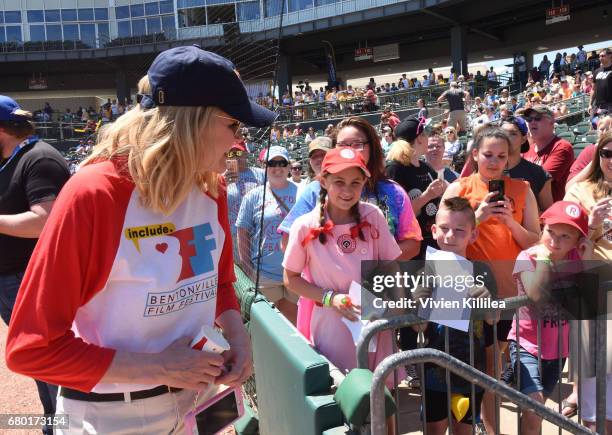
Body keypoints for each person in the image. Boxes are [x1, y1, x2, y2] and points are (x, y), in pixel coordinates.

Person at [6, 46, 276, 434]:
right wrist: (160, 367)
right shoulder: (93, 194)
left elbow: (218, 284)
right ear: (192, 123)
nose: (239, 141)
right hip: (114, 415)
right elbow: (31, 349)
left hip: (200, 404)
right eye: (234, 125)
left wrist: (239, 337)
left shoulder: (210, 188)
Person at [442, 125, 540, 433]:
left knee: (493, 369)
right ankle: (481, 427)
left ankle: (490, 428)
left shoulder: (522, 189)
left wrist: (510, 220)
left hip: (510, 296)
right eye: (488, 155)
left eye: (502, 156)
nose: (495, 162)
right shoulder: (458, 189)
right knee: (475, 369)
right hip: (467, 297)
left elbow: (534, 241)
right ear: (474, 155)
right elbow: (444, 243)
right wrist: (479, 216)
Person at [282, 146, 402, 382]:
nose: (347, 191)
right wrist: (330, 298)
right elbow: (290, 279)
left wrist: (396, 305)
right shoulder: (304, 226)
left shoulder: (373, 216)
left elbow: (390, 266)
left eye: (355, 183)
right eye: (339, 181)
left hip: (375, 322)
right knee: (344, 397)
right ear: (323, 181)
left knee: (383, 397)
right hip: (331, 328)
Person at [0, 95, 70, 435]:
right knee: (37, 360)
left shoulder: (39, 158)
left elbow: (44, 222)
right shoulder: (12, 158)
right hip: (12, 278)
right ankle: (54, 423)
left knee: (47, 356)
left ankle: (66, 425)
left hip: (33, 278)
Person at [508, 201, 592, 435]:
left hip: (557, 349)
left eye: (565, 236)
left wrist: (588, 258)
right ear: (542, 228)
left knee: (535, 411)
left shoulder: (576, 258)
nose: (555, 241)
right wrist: (545, 259)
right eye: (550, 232)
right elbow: (536, 295)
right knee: (534, 409)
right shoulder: (528, 256)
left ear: (578, 241)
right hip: (526, 345)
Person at [415, 197, 496, 435]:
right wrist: (419, 306)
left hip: (472, 369)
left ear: (473, 235)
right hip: (434, 370)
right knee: (434, 430)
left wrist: (487, 301)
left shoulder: (481, 271)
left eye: (460, 230)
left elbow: (493, 319)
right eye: (444, 228)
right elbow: (416, 328)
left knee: (465, 431)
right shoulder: (424, 272)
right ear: (433, 230)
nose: (450, 236)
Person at [563, 131, 612, 433]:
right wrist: (591, 226)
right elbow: (563, 241)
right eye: (607, 153)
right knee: (594, 388)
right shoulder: (580, 191)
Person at [237, 146, 298, 324]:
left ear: (288, 166)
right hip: (264, 274)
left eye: (282, 163)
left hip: (295, 273)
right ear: (265, 166)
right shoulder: (253, 196)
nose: (277, 168)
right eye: (272, 163)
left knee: (292, 325)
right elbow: (243, 233)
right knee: (268, 326)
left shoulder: (302, 192)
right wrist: (247, 266)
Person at [388, 116, 446, 258]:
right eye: (425, 134)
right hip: (412, 249)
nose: (428, 138)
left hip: (434, 243)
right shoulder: (394, 169)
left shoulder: (425, 166)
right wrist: (427, 195)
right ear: (419, 138)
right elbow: (396, 216)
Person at [499, 116, 554, 211]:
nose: (507, 138)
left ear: (524, 139)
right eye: (503, 134)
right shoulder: (489, 170)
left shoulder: (538, 173)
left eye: (513, 134)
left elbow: (549, 213)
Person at [522, 105, 574, 202]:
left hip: (551, 211)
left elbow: (540, 181)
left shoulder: (562, 147)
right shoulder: (528, 149)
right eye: (529, 119)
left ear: (551, 122)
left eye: (538, 118)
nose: (532, 122)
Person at [225, 140, 265, 256]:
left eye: (238, 153)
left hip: (257, 231)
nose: (235, 157)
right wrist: (223, 183)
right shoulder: (221, 177)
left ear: (246, 154)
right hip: (233, 232)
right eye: (231, 154)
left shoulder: (260, 173)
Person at [590, 48, 612, 117]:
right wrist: (590, 104)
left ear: (610, 56)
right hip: (598, 106)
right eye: (599, 56)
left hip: (610, 105)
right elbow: (593, 89)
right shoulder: (596, 71)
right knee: (594, 125)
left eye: (603, 56)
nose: (600, 58)